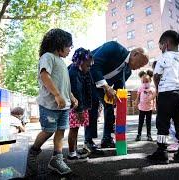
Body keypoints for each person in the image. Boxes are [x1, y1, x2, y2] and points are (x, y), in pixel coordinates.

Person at [25, 28, 78, 177]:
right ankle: (32, 152)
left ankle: (56, 159)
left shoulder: (61, 62)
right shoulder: (48, 57)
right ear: (59, 43)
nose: (69, 49)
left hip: (63, 105)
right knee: (49, 130)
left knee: (61, 131)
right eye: (68, 46)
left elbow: (64, 84)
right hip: (49, 104)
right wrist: (56, 95)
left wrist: (71, 97)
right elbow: (45, 76)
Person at [84, 41, 149, 153]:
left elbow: (118, 88)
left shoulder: (128, 71)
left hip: (101, 85)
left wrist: (118, 99)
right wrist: (106, 87)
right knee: (93, 103)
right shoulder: (114, 48)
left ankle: (107, 138)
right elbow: (94, 65)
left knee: (109, 106)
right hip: (87, 77)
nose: (139, 68)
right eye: (140, 64)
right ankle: (88, 141)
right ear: (135, 54)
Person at [147, 30, 179, 164]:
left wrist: (158, 89)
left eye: (160, 45)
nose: (160, 48)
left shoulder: (163, 57)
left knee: (163, 123)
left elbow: (156, 76)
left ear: (166, 44)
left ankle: (162, 151)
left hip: (166, 94)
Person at [67, 48, 94, 162]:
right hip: (76, 107)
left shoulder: (82, 72)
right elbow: (77, 92)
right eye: (88, 65)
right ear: (80, 62)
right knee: (74, 129)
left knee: (76, 129)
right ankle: (71, 155)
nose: (89, 68)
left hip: (81, 106)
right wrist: (80, 111)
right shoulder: (73, 73)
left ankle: (74, 151)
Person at [135, 70, 156, 141]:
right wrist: (136, 102)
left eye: (146, 81)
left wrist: (154, 106)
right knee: (140, 122)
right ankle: (138, 135)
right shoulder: (140, 88)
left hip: (149, 108)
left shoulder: (152, 89)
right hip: (141, 108)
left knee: (148, 122)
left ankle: (149, 135)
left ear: (150, 81)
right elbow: (138, 96)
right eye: (143, 82)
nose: (145, 83)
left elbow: (154, 99)